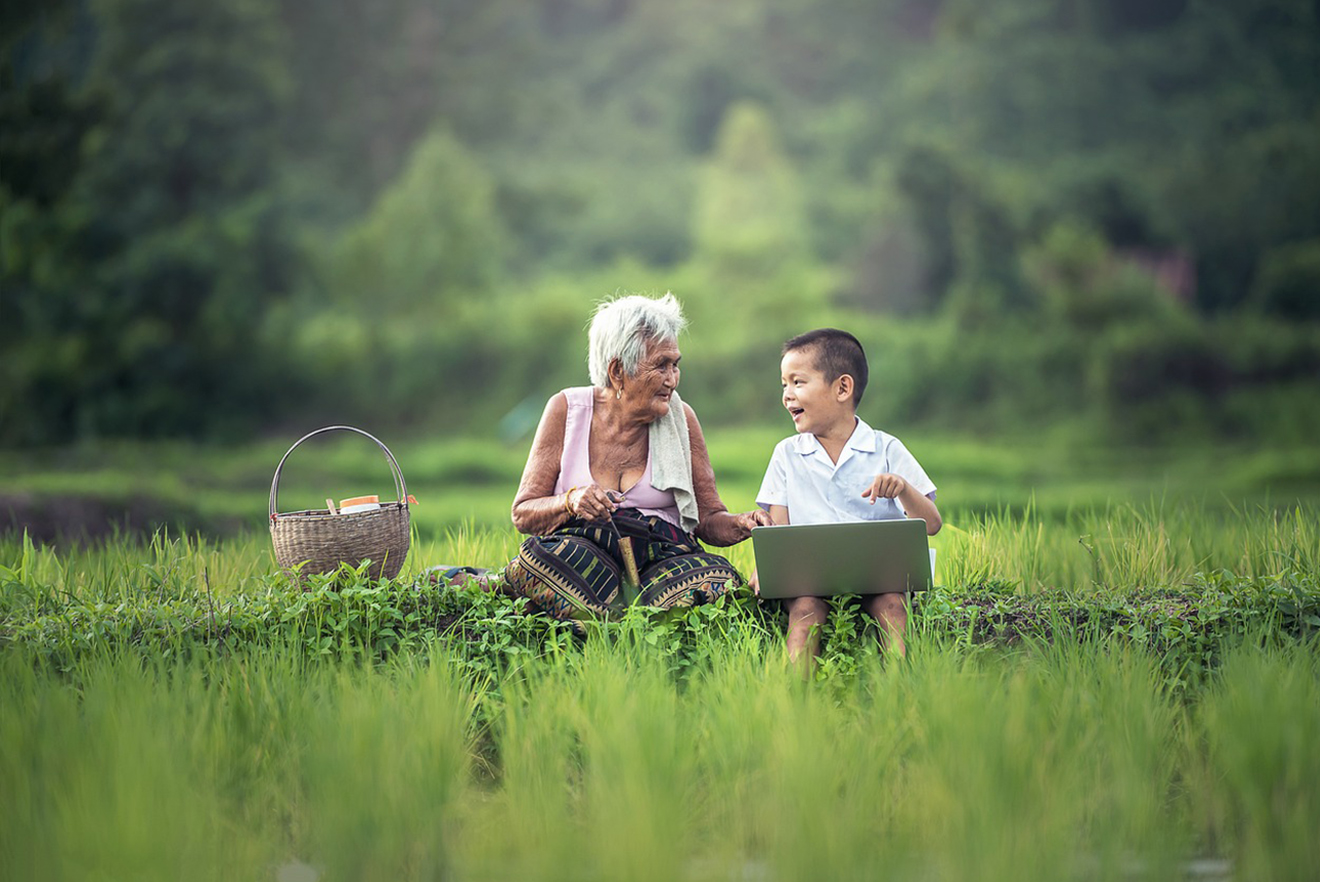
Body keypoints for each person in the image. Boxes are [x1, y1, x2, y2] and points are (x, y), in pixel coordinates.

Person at [504, 293, 771, 630]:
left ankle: (604, 620)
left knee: (718, 578)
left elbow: (707, 519)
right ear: (618, 370)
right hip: (584, 557)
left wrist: (741, 524)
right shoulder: (566, 410)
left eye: (676, 365)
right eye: (661, 365)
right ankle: (633, 621)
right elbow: (524, 512)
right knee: (538, 559)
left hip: (659, 557)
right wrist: (570, 501)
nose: (673, 379)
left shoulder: (681, 419)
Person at [753, 328, 941, 667]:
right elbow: (777, 530)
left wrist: (903, 489)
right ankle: (793, 700)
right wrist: (765, 567)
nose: (787, 395)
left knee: (892, 607)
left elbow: (931, 524)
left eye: (798, 382)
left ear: (842, 388)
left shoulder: (886, 449)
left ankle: (902, 693)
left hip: (881, 576)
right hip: (810, 579)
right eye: (784, 384)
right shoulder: (786, 454)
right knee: (805, 610)